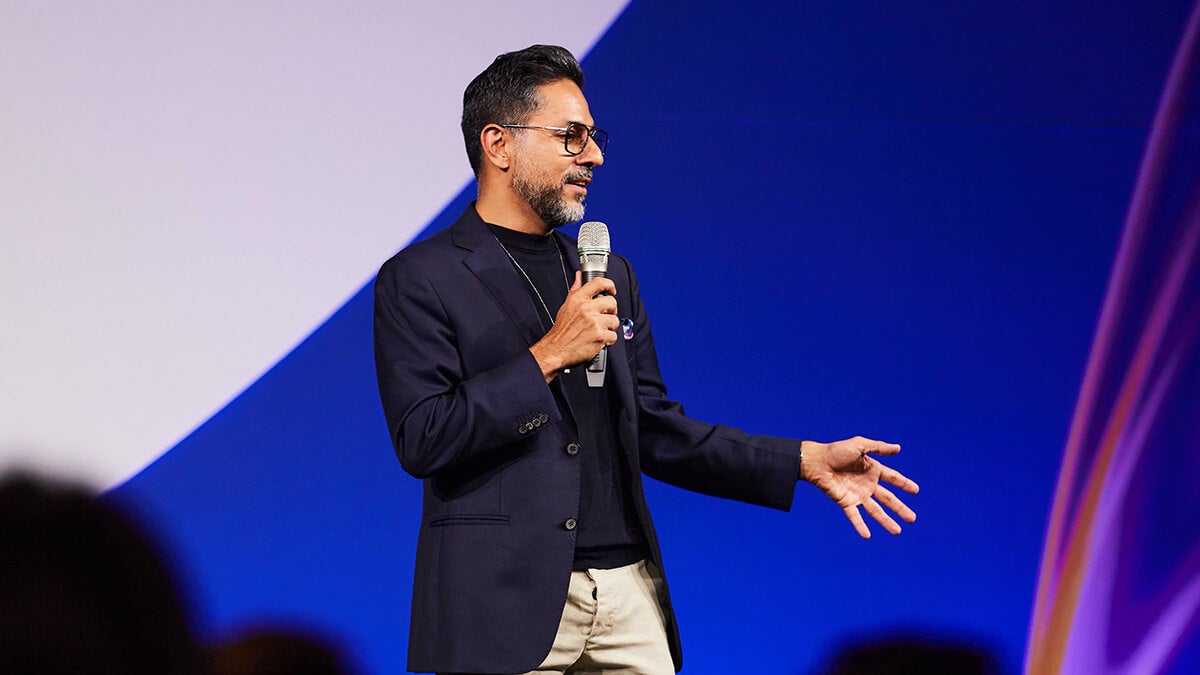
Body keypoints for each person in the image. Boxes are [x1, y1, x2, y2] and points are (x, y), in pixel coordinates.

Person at [373, 44, 919, 675]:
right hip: (501, 604)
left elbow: (654, 428)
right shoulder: (422, 277)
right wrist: (549, 355)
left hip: (628, 594)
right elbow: (424, 437)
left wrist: (801, 460)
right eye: (571, 137)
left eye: (594, 137)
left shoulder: (609, 272)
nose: (594, 156)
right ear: (499, 144)